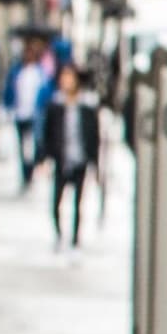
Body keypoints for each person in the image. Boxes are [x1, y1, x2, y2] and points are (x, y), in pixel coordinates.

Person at [43, 63, 101, 249]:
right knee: (56, 202)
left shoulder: (87, 106)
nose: (65, 81)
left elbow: (94, 136)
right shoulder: (55, 105)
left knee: (78, 203)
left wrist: (95, 163)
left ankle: (75, 238)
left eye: (69, 77)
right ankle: (60, 234)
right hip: (61, 159)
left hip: (80, 159)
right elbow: (47, 133)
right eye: (63, 77)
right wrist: (44, 158)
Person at [6, 43, 51, 188]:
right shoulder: (17, 72)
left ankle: (30, 170)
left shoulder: (40, 73)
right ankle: (25, 172)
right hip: (20, 114)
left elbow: (46, 93)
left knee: (32, 145)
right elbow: (10, 91)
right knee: (22, 146)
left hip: (35, 115)